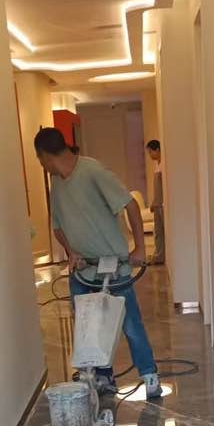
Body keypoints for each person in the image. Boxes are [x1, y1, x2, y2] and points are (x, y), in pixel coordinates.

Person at [34, 127, 162, 399]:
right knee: (88, 327)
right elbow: (57, 226)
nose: (42, 166)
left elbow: (130, 205)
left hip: (113, 265)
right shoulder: (57, 184)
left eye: (40, 160)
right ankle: (104, 378)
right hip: (82, 270)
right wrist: (70, 251)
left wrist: (140, 247)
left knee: (129, 323)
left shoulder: (92, 171)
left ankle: (149, 374)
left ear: (45, 155)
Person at [146, 139, 165, 265]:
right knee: (158, 231)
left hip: (161, 205)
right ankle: (158, 254)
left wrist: (157, 202)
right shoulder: (157, 165)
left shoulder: (163, 166)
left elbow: (161, 189)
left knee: (161, 231)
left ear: (157, 149)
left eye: (150, 152)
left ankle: (160, 256)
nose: (150, 155)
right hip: (157, 204)